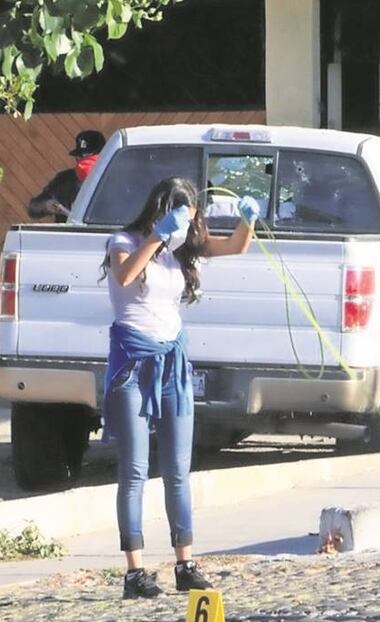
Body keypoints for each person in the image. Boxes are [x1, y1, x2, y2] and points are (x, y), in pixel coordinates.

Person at [100, 176, 260, 599]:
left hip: (172, 363)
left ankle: (185, 563)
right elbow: (125, 275)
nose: (187, 229)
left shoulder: (183, 249)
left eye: (192, 221)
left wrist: (248, 221)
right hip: (132, 365)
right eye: (182, 219)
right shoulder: (124, 241)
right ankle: (135, 572)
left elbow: (236, 246)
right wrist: (157, 236)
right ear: (161, 210)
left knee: (177, 469)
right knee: (134, 470)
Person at [28, 129, 106, 223]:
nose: (82, 161)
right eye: (79, 156)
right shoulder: (64, 179)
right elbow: (34, 207)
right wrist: (46, 205)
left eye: (88, 158)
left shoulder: (114, 180)